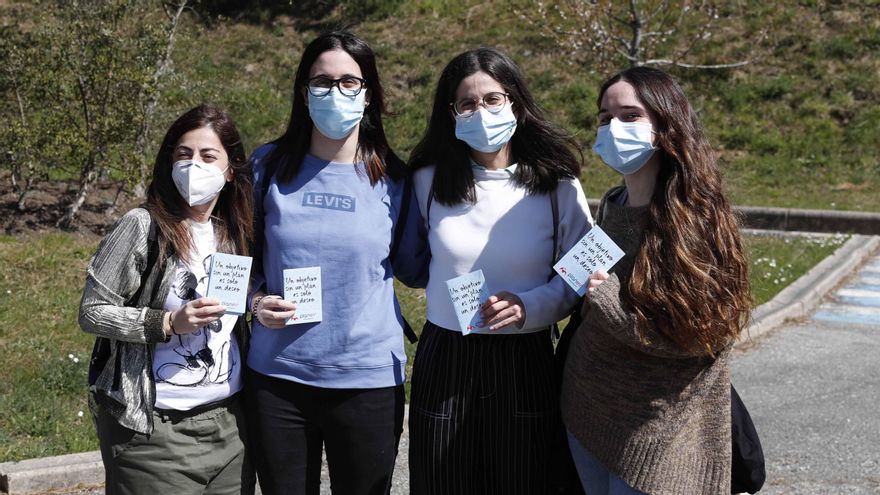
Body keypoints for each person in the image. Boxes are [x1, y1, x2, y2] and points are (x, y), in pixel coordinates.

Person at [245, 30, 427, 495]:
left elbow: (415, 268)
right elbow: (235, 260)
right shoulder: (266, 167)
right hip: (277, 378)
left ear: (368, 96)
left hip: (366, 379)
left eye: (349, 82)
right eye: (322, 82)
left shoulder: (397, 179)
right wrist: (256, 302)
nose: (335, 92)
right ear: (304, 93)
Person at [407, 47, 594, 494]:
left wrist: (530, 307)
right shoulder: (427, 182)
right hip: (446, 355)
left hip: (524, 358)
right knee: (440, 482)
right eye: (467, 103)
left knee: (523, 481)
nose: (481, 111)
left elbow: (580, 276)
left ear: (515, 102)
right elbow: (407, 260)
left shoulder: (558, 186)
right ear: (451, 114)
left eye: (492, 99)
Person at [560, 66, 752, 494]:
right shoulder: (613, 203)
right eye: (605, 117)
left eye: (630, 116)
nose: (613, 128)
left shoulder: (697, 218)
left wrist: (609, 301)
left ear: (666, 125)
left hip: (657, 438)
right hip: (587, 411)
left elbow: (706, 336)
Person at [79, 104, 255, 495]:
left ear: (230, 170)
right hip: (154, 432)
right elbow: (92, 311)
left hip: (229, 427)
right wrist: (167, 323)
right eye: (183, 154)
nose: (194, 165)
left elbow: (234, 302)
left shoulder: (231, 231)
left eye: (208, 156)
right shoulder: (142, 225)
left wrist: (258, 306)